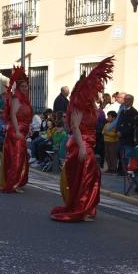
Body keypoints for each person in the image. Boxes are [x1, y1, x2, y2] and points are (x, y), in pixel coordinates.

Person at [50, 56, 114, 222]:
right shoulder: (78, 105)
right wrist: (82, 147)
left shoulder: (91, 105)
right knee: (85, 176)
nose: (95, 91)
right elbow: (75, 127)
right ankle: (81, 207)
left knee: (90, 176)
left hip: (88, 143)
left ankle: (86, 207)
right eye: (92, 89)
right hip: (81, 143)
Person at [0, 66, 32, 193]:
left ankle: (17, 181)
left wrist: (29, 127)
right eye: (22, 86)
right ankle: (12, 183)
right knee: (16, 157)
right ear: (18, 87)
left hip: (22, 131)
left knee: (21, 156)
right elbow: (13, 116)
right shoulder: (17, 98)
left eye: (26, 86)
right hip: (15, 132)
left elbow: (27, 116)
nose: (25, 88)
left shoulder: (25, 100)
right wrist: (17, 131)